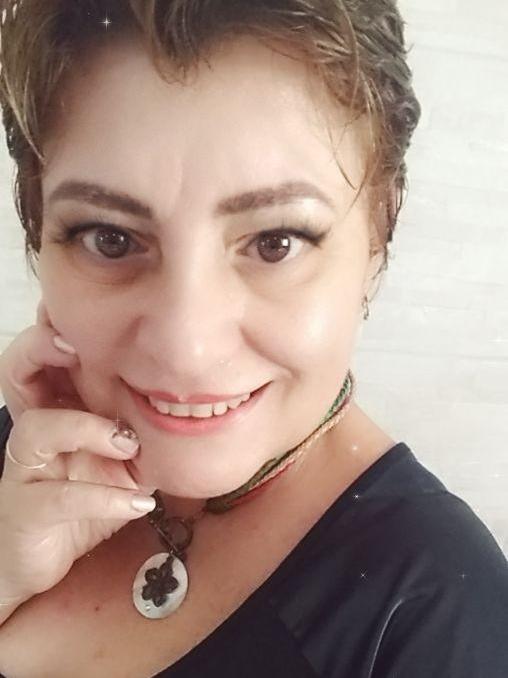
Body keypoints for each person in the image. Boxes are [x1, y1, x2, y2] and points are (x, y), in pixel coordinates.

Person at [0, 1, 507, 676]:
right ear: (38, 229)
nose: (186, 349)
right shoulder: (25, 452)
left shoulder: (436, 618)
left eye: (275, 242)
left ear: (379, 235)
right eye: (110, 238)